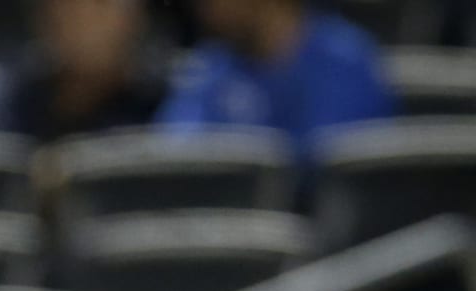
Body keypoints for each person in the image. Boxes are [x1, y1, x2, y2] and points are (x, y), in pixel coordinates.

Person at [158, 0, 395, 169]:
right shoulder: (212, 64)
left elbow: (333, 167)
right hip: (235, 225)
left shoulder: (346, 58)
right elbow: (176, 153)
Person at [0, 0, 167, 141]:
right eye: (69, 6)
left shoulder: (165, 101)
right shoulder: (16, 99)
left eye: (101, 4)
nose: (83, 18)